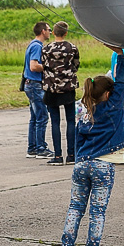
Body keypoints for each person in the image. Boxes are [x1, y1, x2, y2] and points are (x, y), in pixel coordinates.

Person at [60, 48, 124, 246]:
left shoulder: (82, 110)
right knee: (97, 213)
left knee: (75, 208)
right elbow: (121, 83)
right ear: (107, 94)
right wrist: (121, 55)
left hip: (82, 163)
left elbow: (76, 138)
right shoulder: (112, 107)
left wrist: (77, 160)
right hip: (103, 164)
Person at [42, 21, 80, 165]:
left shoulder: (46, 49)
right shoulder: (72, 48)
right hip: (68, 87)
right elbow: (76, 65)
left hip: (51, 88)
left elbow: (44, 65)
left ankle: (58, 156)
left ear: (53, 33)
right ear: (66, 33)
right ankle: (71, 154)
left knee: (55, 122)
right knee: (70, 120)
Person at [23, 22, 54, 159]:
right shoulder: (37, 46)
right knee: (42, 117)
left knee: (35, 117)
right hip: (35, 84)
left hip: (30, 84)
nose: (50, 32)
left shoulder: (33, 44)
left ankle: (32, 147)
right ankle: (41, 148)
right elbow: (33, 66)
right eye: (49, 30)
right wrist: (49, 66)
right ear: (43, 31)